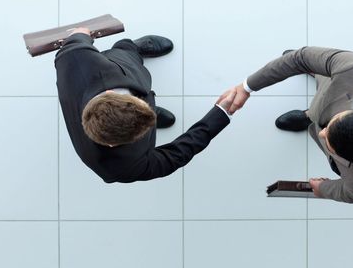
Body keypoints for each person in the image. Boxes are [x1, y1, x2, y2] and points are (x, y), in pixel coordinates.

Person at [221, 47, 353, 204]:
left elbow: (351, 194)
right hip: (335, 87)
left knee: (317, 122)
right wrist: (246, 87)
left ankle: (310, 117)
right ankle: (312, 99)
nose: (322, 133)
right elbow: (300, 57)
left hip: (341, 127)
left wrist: (323, 189)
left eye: (328, 142)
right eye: (329, 128)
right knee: (311, 64)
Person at [55, 27, 235, 183]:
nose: (144, 100)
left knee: (127, 54)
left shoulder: (76, 56)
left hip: (116, 69)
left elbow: (75, 42)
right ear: (111, 144)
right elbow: (177, 155)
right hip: (110, 82)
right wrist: (221, 112)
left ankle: (134, 47)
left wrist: (81, 35)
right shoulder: (120, 168)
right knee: (131, 68)